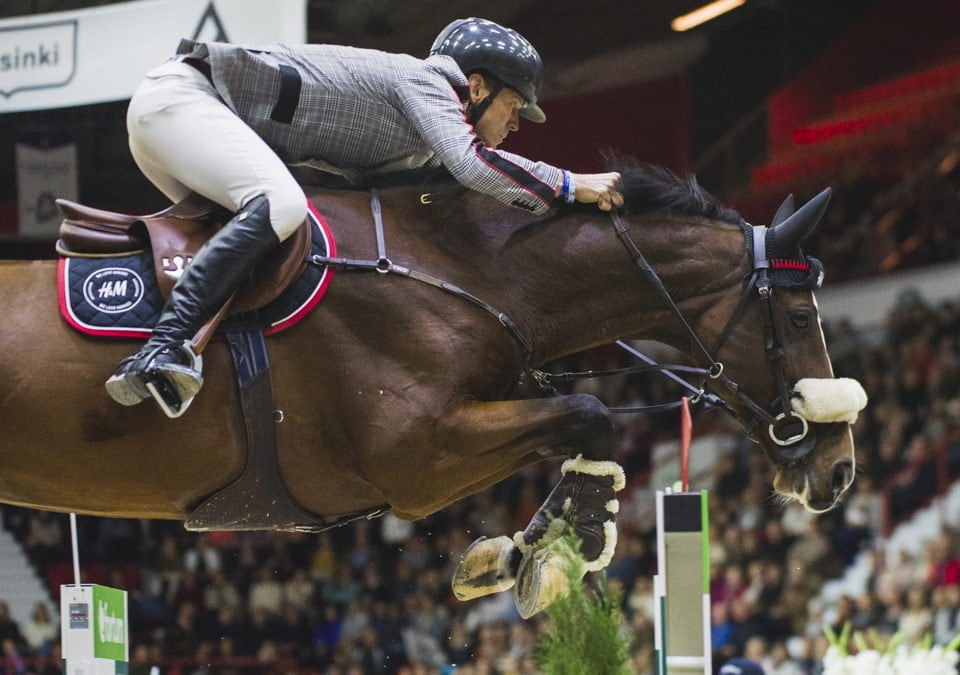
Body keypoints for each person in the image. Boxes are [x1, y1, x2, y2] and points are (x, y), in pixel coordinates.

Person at [105, 17, 624, 416]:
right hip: (184, 100)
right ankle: (163, 348)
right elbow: (472, 165)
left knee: (273, 246)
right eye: (514, 104)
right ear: (477, 86)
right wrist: (569, 183)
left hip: (176, 117)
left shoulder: (421, 141)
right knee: (281, 207)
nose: (517, 123)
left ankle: (188, 361)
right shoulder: (426, 82)